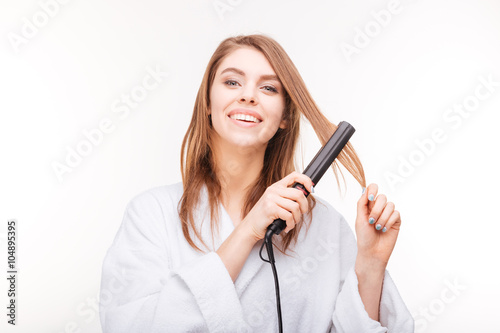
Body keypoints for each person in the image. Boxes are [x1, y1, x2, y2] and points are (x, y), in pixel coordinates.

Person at [99, 34, 414, 332]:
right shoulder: (151, 213)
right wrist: (249, 230)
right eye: (232, 82)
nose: (248, 95)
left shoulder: (324, 226)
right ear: (208, 102)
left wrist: (371, 264)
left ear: (285, 116)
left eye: (269, 89)